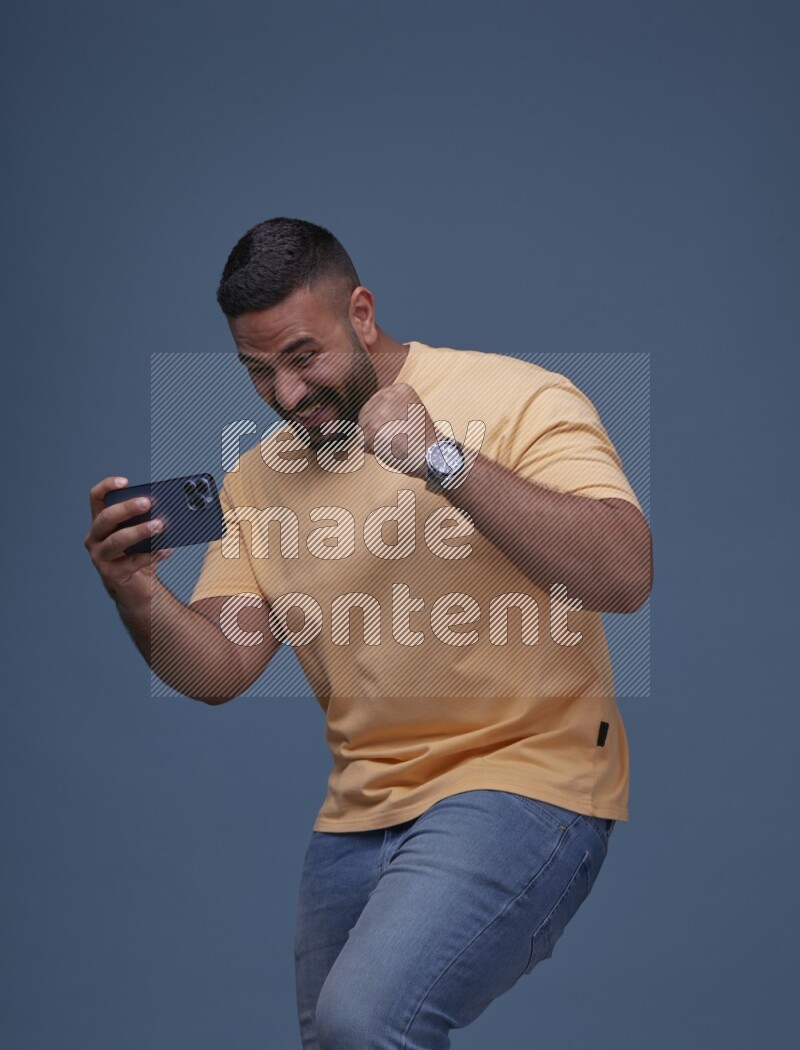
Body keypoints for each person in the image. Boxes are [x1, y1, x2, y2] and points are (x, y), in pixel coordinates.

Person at [85, 217, 652, 1049]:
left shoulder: (519, 397)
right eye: (257, 372)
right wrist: (136, 592)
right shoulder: (257, 481)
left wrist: (443, 462)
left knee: (366, 1023)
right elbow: (222, 663)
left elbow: (624, 576)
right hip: (361, 813)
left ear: (360, 311)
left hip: (527, 780)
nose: (285, 397)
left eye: (303, 357)